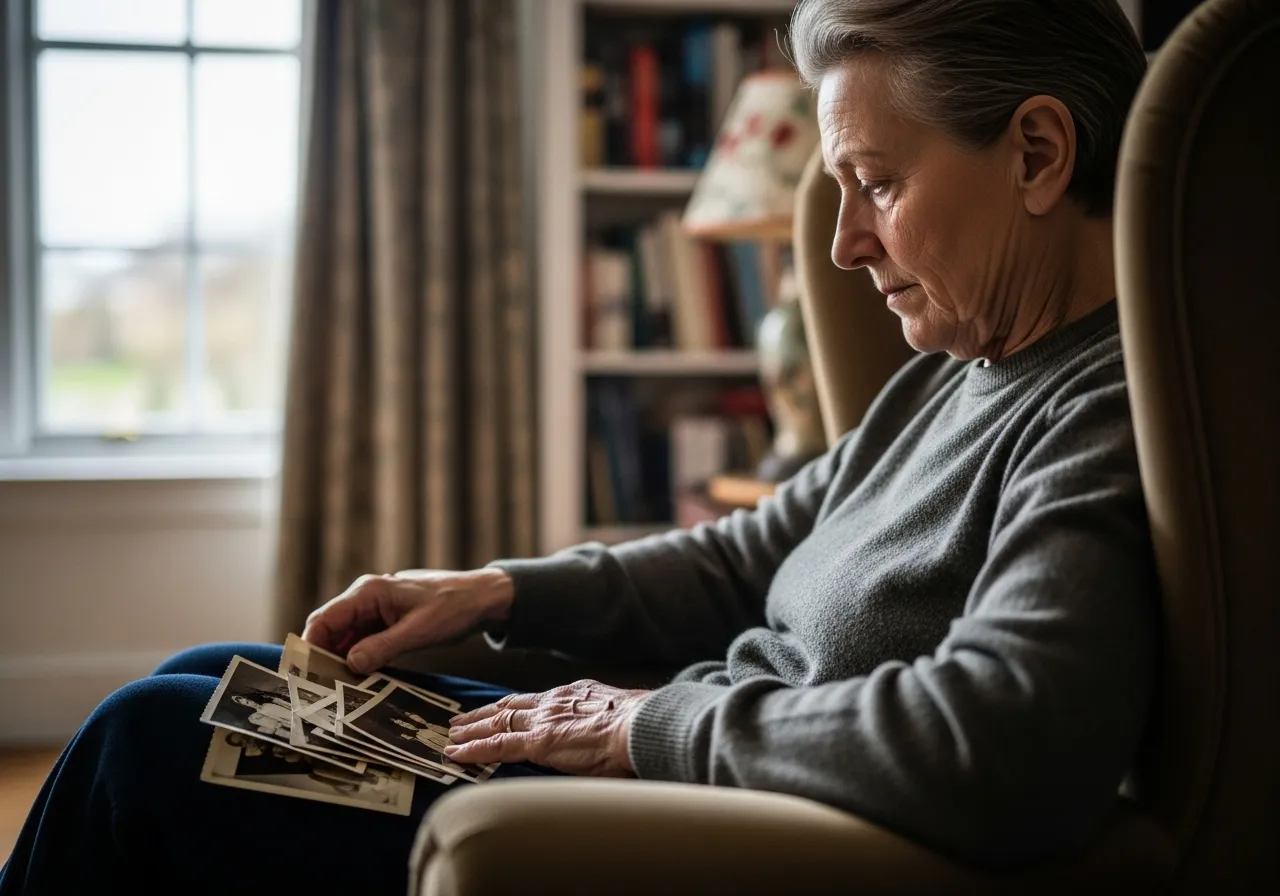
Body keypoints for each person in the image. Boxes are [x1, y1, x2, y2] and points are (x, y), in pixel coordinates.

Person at [0, 0, 1159, 892]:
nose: (849, 244)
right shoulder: (951, 377)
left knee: (146, 745)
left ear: (1037, 154)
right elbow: (740, 556)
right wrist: (491, 592)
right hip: (679, 747)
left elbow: (1008, 736)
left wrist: (637, 723)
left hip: (705, 806)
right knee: (209, 676)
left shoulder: (1105, 408)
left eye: (879, 183)